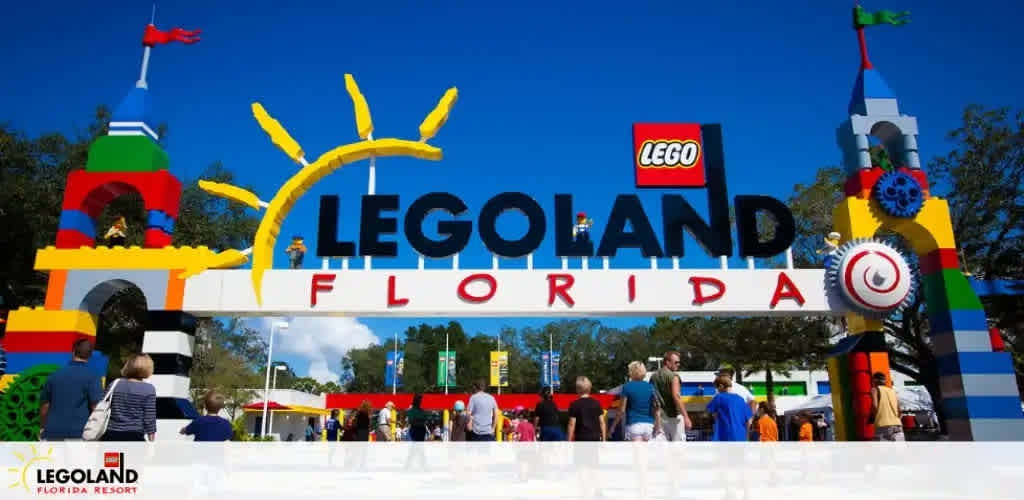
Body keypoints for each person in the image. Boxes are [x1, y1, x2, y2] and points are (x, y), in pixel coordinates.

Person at [39, 339, 103, 441]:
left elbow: (45, 406)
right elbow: (96, 407)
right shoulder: (93, 377)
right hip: (79, 433)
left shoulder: (54, 375)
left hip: (52, 432)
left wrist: (42, 427)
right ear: (90, 355)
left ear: (73, 352)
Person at [102, 354, 157, 441]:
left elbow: (103, 404)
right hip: (134, 437)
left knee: (114, 455)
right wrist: (152, 441)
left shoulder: (115, 384)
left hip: (111, 435)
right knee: (131, 455)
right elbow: (149, 418)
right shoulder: (149, 389)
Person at [610, 361, 661, 441]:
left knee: (637, 453)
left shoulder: (627, 387)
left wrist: (613, 426)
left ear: (631, 372)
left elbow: (621, 410)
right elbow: (657, 409)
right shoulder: (651, 387)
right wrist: (658, 426)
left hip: (633, 425)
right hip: (649, 426)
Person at [650, 350, 692, 442]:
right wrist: (686, 417)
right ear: (667, 362)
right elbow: (676, 397)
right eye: (676, 362)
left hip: (659, 417)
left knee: (662, 448)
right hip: (674, 417)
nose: (678, 365)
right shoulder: (674, 377)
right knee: (678, 447)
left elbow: (652, 397)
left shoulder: (653, 377)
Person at [706, 375, 752, 442]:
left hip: (725, 437)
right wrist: (746, 437)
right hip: (741, 437)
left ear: (721, 386)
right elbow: (749, 421)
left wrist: (715, 415)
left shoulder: (719, 397)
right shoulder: (741, 399)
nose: (717, 390)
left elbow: (708, 412)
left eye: (717, 388)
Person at [567, 376, 605, 442]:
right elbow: (602, 422)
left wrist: (569, 441)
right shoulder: (596, 403)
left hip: (581, 438)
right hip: (595, 438)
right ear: (590, 388)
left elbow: (571, 424)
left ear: (577, 389)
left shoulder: (574, 404)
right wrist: (604, 440)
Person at [870, 372, 905, 441]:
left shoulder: (875, 389)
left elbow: (875, 406)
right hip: (897, 425)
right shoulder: (892, 391)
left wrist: (873, 418)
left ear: (875, 380)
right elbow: (900, 411)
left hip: (882, 424)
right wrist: (897, 420)